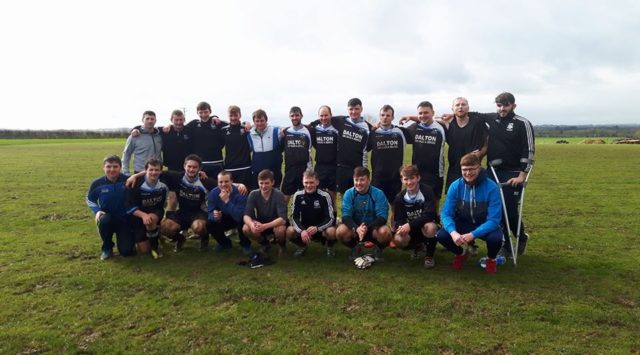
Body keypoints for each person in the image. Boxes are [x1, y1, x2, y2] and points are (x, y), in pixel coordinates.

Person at [470, 92, 535, 256]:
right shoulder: (492, 118)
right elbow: (475, 115)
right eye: (499, 105)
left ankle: (521, 237)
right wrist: (450, 115)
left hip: (513, 173)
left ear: (514, 105)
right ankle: (505, 244)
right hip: (493, 171)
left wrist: (522, 175)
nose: (502, 109)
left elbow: (529, 150)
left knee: (510, 210)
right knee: (496, 209)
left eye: (505, 105)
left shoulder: (523, 123)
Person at [127, 154, 217, 252]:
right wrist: (135, 175)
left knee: (198, 227)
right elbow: (154, 170)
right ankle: (180, 238)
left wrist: (236, 186)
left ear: (200, 168)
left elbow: (223, 185)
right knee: (165, 227)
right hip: (182, 212)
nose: (191, 169)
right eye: (189, 166)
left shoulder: (205, 181)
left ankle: (204, 237)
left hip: (199, 213)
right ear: (184, 166)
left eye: (195, 167)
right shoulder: (177, 177)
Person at [436, 153, 504, 273]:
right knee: (441, 235)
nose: (468, 173)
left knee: (496, 239)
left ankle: (491, 259)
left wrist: (473, 234)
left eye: (471, 169)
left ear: (479, 167)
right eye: (464, 170)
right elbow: (446, 213)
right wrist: (453, 232)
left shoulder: (492, 187)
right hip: (463, 222)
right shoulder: (455, 186)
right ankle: (461, 253)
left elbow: (494, 220)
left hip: (485, 223)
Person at [310, 98, 371, 195]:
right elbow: (324, 119)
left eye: (356, 109)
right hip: (341, 168)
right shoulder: (341, 121)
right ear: (348, 110)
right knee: (344, 196)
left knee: (357, 195)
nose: (353, 112)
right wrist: (310, 124)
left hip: (357, 167)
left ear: (361, 109)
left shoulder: (367, 127)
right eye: (351, 109)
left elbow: (371, 143)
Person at [335, 167, 391, 261]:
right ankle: (355, 247)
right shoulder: (349, 193)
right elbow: (346, 217)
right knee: (340, 232)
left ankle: (378, 249)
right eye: (356, 180)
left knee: (385, 232)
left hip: (373, 229)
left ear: (369, 180)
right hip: (356, 229)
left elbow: (382, 217)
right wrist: (357, 228)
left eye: (362, 180)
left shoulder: (378, 193)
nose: (358, 183)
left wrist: (367, 228)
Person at [86, 155, 134, 260]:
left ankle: (128, 240)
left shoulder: (128, 180)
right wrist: (97, 211)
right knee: (103, 220)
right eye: (108, 166)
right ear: (104, 168)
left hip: (124, 219)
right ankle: (107, 247)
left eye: (115, 166)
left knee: (126, 251)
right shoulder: (97, 183)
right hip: (108, 218)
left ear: (120, 168)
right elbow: (89, 199)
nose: (112, 169)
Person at [392, 165, 438, 268]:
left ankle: (429, 256)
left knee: (430, 228)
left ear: (418, 178)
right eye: (406, 179)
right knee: (399, 239)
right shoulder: (400, 197)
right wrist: (400, 226)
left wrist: (410, 224)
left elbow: (430, 214)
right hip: (411, 229)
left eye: (412, 178)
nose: (409, 182)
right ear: (402, 180)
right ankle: (418, 246)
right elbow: (398, 219)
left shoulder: (427, 191)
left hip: (425, 226)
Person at [401, 101, 446, 207]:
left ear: (433, 113)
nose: (423, 115)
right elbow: (398, 134)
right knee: (418, 200)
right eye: (420, 113)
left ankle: (436, 221)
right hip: (417, 172)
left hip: (435, 172)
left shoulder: (441, 128)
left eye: (426, 112)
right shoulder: (414, 128)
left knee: (435, 200)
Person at [286, 170, 337, 257]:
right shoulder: (297, 195)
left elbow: (330, 218)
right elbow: (294, 217)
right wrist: (302, 230)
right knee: (289, 231)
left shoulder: (325, 195)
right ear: (302, 182)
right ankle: (302, 246)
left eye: (311, 182)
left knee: (332, 231)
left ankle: (330, 247)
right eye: (306, 182)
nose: (308, 185)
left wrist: (318, 228)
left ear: (317, 182)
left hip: (321, 228)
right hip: (305, 228)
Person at [125, 158, 169, 259]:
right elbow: (128, 206)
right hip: (138, 214)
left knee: (150, 220)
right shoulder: (135, 183)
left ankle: (155, 248)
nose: (154, 172)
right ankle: (156, 234)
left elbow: (184, 173)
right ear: (146, 170)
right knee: (144, 250)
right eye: (151, 169)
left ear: (161, 171)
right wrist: (143, 215)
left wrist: (200, 173)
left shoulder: (165, 179)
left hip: (155, 211)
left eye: (157, 170)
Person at [368, 104, 411, 204]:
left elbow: (422, 124)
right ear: (379, 117)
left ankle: (393, 220)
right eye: (382, 115)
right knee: (376, 206)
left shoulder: (400, 132)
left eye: (388, 115)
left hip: (395, 177)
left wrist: (412, 117)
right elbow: (364, 150)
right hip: (378, 177)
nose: (385, 118)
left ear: (393, 117)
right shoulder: (374, 133)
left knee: (395, 206)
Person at [242, 169, 288, 256]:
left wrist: (265, 226)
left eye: (266, 183)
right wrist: (252, 224)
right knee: (246, 228)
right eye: (261, 183)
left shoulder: (279, 195)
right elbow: (246, 215)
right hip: (261, 222)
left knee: (280, 229)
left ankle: (282, 245)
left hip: (275, 223)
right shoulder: (253, 194)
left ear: (273, 182)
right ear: (258, 182)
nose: (263, 186)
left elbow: (283, 219)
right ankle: (264, 243)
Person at [207, 170, 252, 255]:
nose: (223, 184)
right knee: (210, 223)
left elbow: (239, 215)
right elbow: (210, 212)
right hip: (224, 217)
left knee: (243, 219)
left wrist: (227, 201)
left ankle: (245, 244)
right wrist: (215, 215)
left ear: (232, 181)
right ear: (217, 182)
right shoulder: (213, 193)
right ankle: (225, 243)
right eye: (220, 182)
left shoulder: (241, 192)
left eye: (226, 181)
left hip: (238, 217)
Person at [186, 102, 228, 177]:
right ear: (197, 113)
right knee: (202, 187)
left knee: (218, 186)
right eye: (200, 112)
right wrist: (169, 125)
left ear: (210, 111)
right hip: (201, 164)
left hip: (217, 163)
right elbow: (179, 127)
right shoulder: (194, 124)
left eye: (206, 112)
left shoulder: (217, 122)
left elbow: (233, 124)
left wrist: (245, 123)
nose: (203, 115)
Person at [280, 106, 312, 203]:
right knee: (285, 198)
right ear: (289, 117)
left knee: (306, 199)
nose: (294, 118)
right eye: (292, 115)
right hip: (290, 170)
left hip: (304, 169)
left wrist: (309, 169)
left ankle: (305, 217)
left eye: (297, 115)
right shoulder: (285, 132)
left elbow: (310, 150)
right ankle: (283, 218)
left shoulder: (308, 131)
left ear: (301, 116)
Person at [309, 105, 339, 206]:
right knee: (318, 196)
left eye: (326, 115)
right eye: (321, 116)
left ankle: (333, 219)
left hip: (333, 167)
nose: (324, 118)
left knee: (332, 197)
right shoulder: (314, 129)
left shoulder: (336, 130)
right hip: (320, 166)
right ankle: (321, 219)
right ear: (318, 116)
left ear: (331, 115)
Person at [247, 109, 283, 188]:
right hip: (257, 170)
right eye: (257, 121)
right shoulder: (249, 134)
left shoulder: (276, 131)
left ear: (266, 120)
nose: (260, 123)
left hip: (274, 170)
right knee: (258, 195)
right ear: (254, 122)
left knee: (274, 194)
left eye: (262, 120)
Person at [221, 105, 254, 189]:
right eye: (231, 116)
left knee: (245, 193)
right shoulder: (223, 130)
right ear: (228, 116)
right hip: (230, 167)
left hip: (245, 167)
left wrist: (248, 123)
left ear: (240, 115)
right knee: (231, 194)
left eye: (236, 115)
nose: (233, 118)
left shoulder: (246, 129)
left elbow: (257, 126)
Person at [122, 111, 162, 175]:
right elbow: (126, 154)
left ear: (155, 121)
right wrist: (125, 171)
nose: (150, 121)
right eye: (147, 119)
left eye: (152, 119)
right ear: (142, 120)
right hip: (140, 172)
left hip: (156, 172)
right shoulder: (134, 136)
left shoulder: (159, 136)